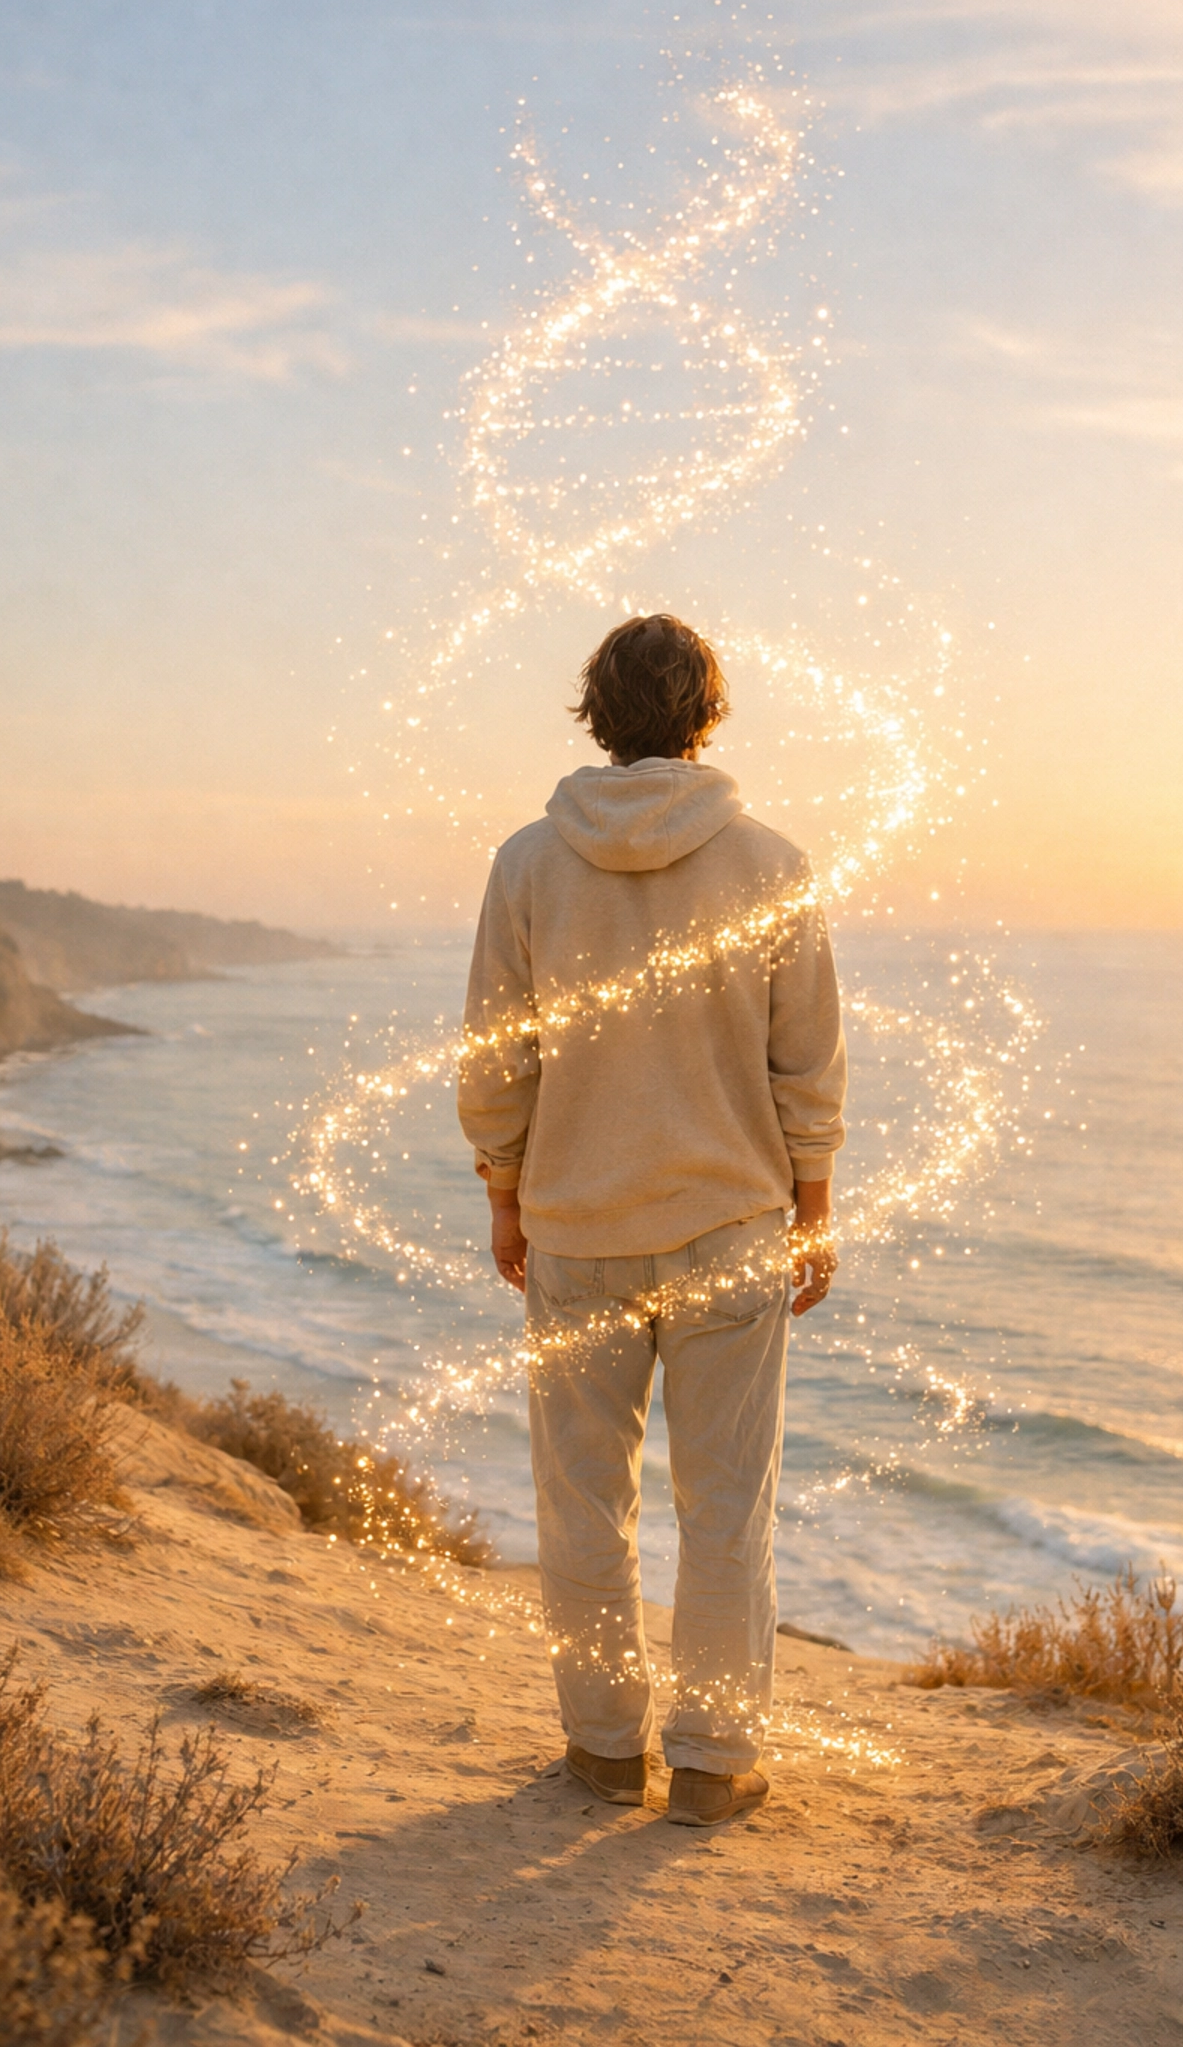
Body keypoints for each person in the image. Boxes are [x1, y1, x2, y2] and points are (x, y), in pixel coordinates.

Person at [457, 613, 846, 1826]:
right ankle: (719, 1765)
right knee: (729, 1505)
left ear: (597, 712)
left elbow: (496, 1060)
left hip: (577, 1225)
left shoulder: (527, 863)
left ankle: (605, 1750)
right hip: (733, 1222)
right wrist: (815, 1205)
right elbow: (808, 1065)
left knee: (586, 1502)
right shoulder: (773, 864)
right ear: (707, 713)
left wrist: (504, 1195)